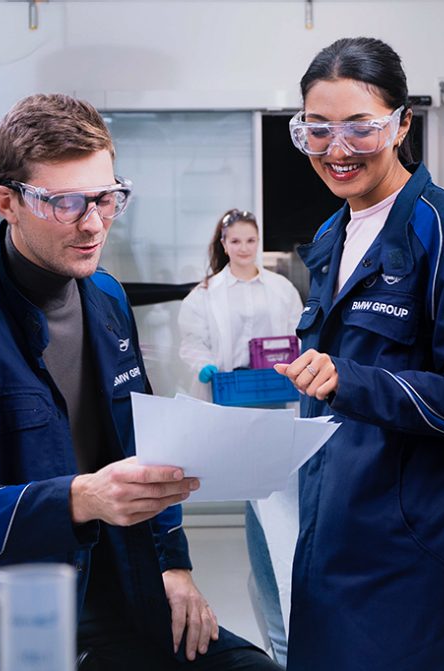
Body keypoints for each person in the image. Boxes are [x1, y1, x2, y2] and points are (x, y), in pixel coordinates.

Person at [0, 93, 278, 671]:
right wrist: (80, 499)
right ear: (7, 202)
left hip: (107, 599)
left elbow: (144, 445)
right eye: (65, 203)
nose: (93, 224)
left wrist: (173, 565)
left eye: (106, 199)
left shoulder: (106, 298)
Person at [271, 38, 444, 669]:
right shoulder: (332, 234)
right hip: (332, 531)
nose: (337, 151)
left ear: (403, 125)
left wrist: (349, 381)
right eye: (317, 130)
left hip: (418, 552)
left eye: (361, 128)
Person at [174, 209, 303, 664]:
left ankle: (281, 629)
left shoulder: (281, 288)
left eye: (251, 241)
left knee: (272, 501)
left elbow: (300, 334)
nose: (244, 249)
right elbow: (192, 341)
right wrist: (205, 366)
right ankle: (279, 632)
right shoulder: (206, 293)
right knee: (261, 499)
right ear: (223, 244)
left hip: (276, 396)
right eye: (236, 242)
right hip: (232, 397)